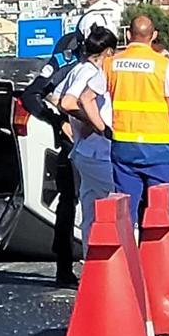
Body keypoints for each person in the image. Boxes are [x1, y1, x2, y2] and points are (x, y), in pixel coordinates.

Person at [105, 16, 169, 225]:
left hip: (123, 146)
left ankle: (128, 254)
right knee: (160, 211)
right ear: (154, 36)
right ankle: (153, 255)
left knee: (125, 211)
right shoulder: (163, 65)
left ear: (127, 34)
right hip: (159, 148)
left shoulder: (111, 64)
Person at [56, 26, 118, 250]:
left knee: (90, 213)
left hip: (83, 151)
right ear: (109, 52)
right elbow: (68, 102)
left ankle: (91, 263)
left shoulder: (78, 69)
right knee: (119, 202)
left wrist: (75, 124)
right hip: (98, 151)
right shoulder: (93, 73)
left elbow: (56, 97)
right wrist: (99, 125)